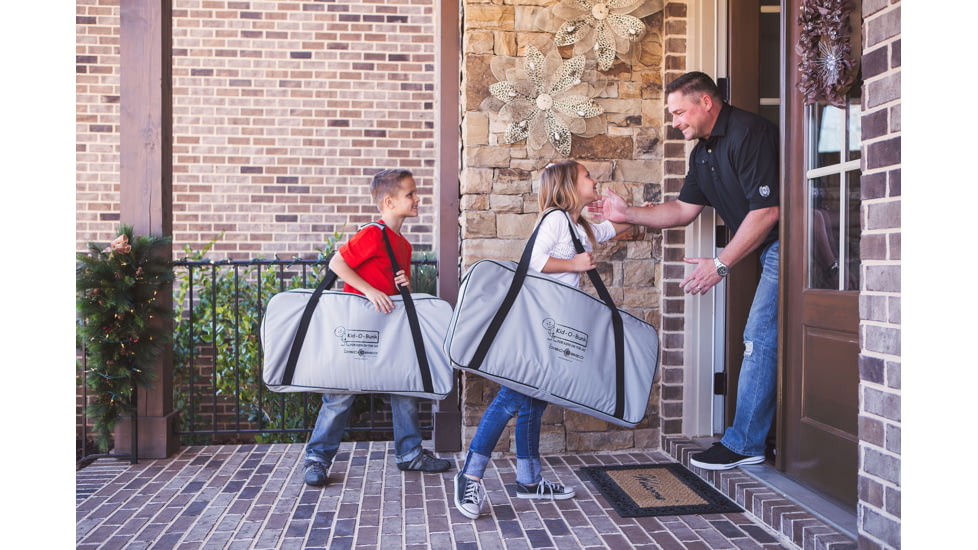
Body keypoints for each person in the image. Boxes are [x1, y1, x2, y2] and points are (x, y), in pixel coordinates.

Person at [597, 71, 780, 471]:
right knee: (765, 340)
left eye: (680, 112)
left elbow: (768, 211)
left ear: (706, 103)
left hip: (791, 247)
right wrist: (629, 213)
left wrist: (721, 263)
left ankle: (746, 443)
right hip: (766, 250)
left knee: (759, 339)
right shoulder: (703, 153)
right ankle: (763, 436)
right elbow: (682, 210)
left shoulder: (750, 133)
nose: (675, 121)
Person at [453, 160, 632, 519]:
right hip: (538, 328)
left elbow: (615, 229)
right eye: (586, 176)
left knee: (534, 402)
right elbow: (534, 261)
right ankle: (469, 475)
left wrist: (625, 211)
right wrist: (575, 265)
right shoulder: (554, 219)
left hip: (554, 330)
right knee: (511, 398)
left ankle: (529, 480)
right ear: (568, 184)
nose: (593, 180)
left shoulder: (577, 226)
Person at [303, 168, 452, 486]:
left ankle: (410, 454)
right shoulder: (372, 233)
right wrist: (370, 291)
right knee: (340, 395)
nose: (417, 198)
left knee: (404, 387)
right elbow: (336, 263)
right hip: (358, 329)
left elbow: (391, 285)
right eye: (410, 194)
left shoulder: (404, 245)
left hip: (388, 331)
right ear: (389, 201)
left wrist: (402, 285)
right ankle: (316, 459)